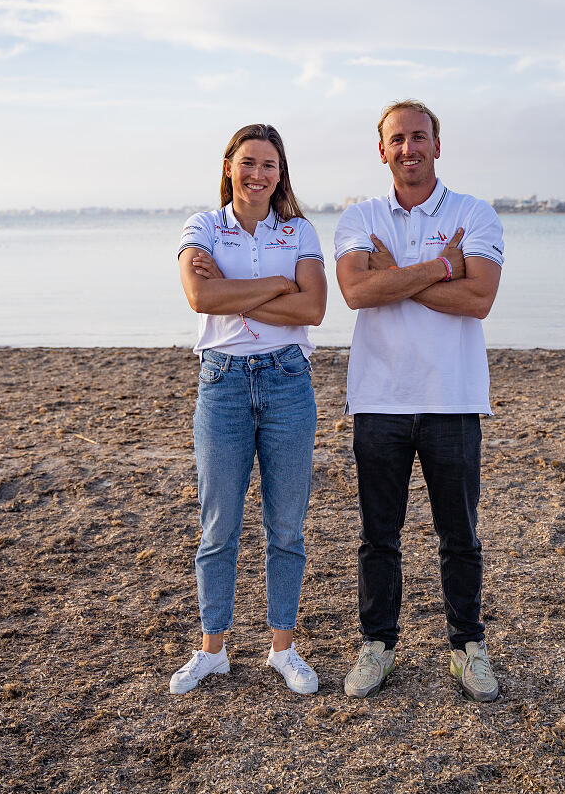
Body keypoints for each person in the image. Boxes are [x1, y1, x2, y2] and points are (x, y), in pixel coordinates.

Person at [333, 100, 505, 702]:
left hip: (452, 400)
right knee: (379, 535)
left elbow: (478, 300)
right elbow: (356, 292)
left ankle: (467, 648)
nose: (409, 148)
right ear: (382, 150)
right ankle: (377, 646)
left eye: (419, 137)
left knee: (460, 535)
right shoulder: (359, 216)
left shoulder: (474, 213)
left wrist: (398, 277)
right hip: (378, 400)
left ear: (438, 143)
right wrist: (441, 267)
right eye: (397, 139)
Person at [172, 124, 327, 695]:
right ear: (229, 167)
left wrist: (244, 288)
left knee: (286, 527)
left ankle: (282, 649)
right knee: (219, 527)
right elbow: (201, 298)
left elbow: (313, 309)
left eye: (269, 165)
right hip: (224, 383)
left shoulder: (299, 230)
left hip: (288, 381)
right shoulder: (203, 226)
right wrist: (277, 284)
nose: (258, 174)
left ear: (280, 173)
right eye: (248, 163)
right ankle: (212, 649)